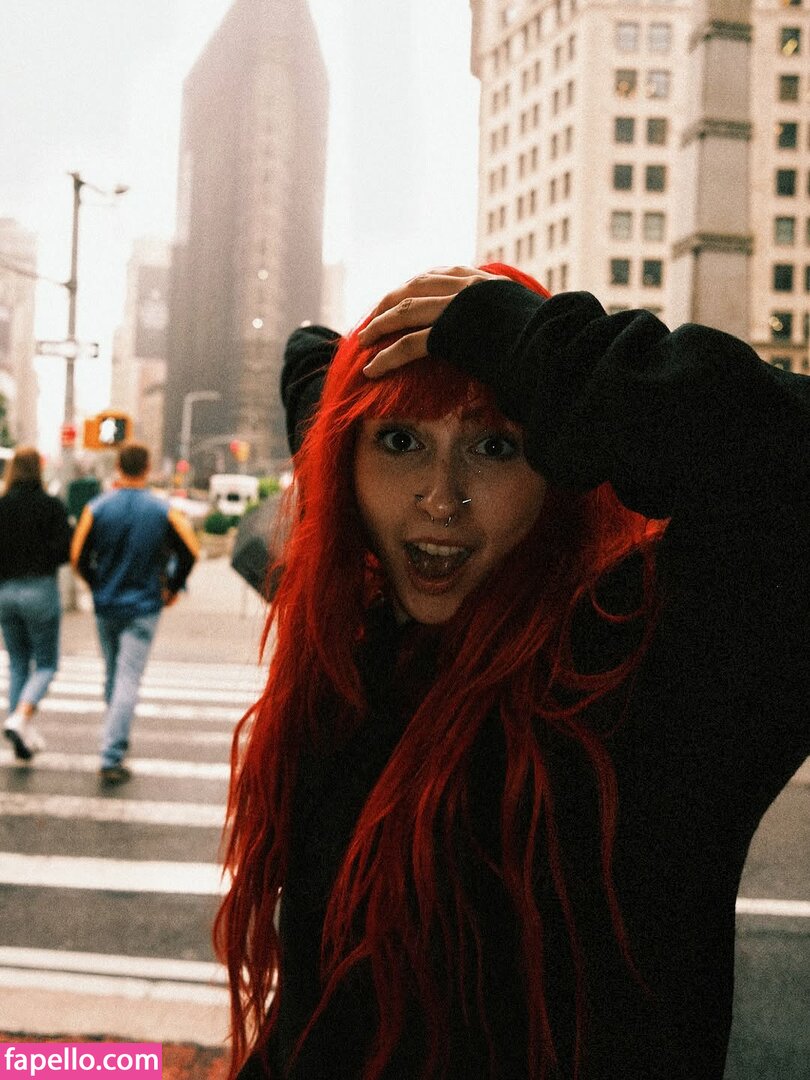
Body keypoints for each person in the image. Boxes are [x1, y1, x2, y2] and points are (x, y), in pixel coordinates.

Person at [214, 264, 810, 1080]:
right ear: (343, 468)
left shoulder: (648, 671)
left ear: (563, 458)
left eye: (495, 446)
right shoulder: (365, 652)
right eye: (400, 442)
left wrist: (552, 351)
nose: (439, 498)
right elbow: (310, 367)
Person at [70, 441, 199, 784]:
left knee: (113, 675)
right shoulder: (163, 510)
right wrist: (172, 589)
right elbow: (190, 552)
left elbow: (78, 556)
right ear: (147, 468)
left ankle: (116, 735)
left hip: (106, 604)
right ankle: (111, 754)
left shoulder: (97, 508)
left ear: (118, 467)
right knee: (127, 678)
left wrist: (95, 584)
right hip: (144, 606)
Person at [0, 446, 72, 760]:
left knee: (17, 663)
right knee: (46, 664)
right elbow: (65, 550)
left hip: (5, 592)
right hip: (40, 589)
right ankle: (20, 718)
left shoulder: (1, 506)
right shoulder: (51, 506)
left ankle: (20, 732)